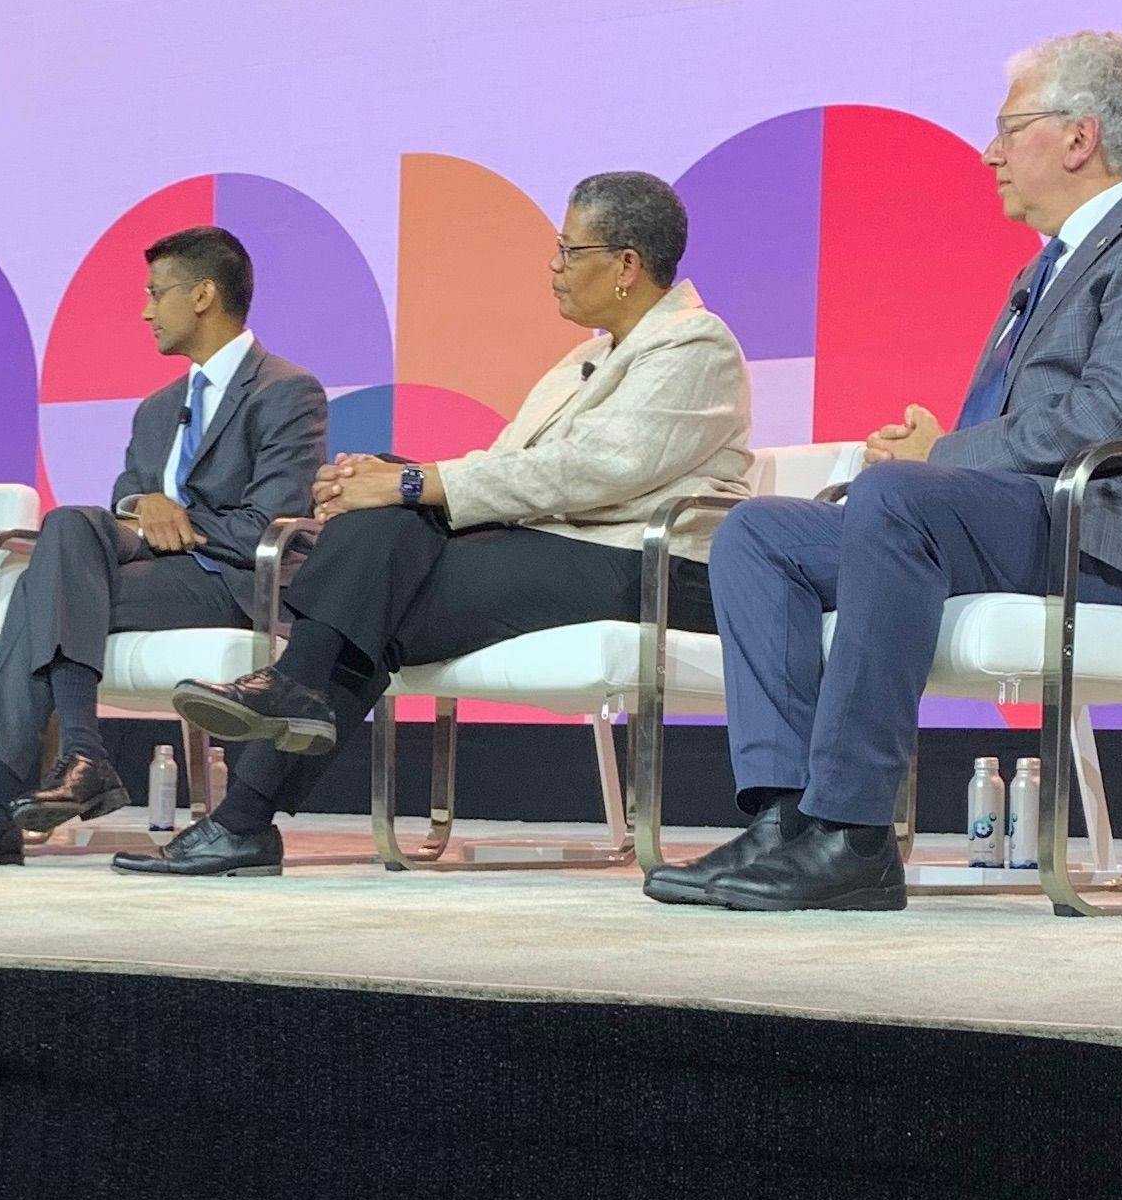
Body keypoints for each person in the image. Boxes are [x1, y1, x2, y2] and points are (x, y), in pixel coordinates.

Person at [660, 30, 1122, 914]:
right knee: (757, 532)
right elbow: (1015, 433)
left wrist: (935, 460)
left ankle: (854, 833)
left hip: (1118, 530)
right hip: (1032, 515)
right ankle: (788, 821)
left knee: (900, 495)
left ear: (1079, 137)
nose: (989, 152)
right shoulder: (1048, 267)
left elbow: (1114, 417)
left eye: (1008, 128)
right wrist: (940, 449)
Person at [120, 172, 751, 877]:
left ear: (627, 264)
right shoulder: (585, 358)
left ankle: (258, 778)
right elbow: (512, 462)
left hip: (641, 562)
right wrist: (387, 480)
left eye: (569, 251)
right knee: (384, 534)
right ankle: (260, 772)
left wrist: (411, 483)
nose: (554, 267)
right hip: (565, 545)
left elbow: (599, 469)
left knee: (378, 577)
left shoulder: (696, 344)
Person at [0, 226, 328, 867]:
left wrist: (181, 519)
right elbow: (127, 497)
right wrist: (142, 507)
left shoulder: (286, 391)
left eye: (156, 293)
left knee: (45, 586)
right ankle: (79, 756)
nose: (145, 310)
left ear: (203, 295)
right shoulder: (157, 407)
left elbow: (270, 522)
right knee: (68, 526)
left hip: (230, 580)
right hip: (150, 573)